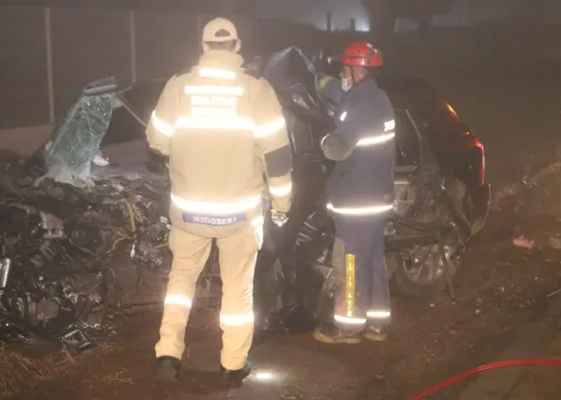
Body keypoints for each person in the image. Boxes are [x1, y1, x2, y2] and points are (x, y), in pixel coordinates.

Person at [144, 17, 293, 386]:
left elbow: (157, 141)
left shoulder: (178, 87)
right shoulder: (257, 91)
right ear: (238, 47)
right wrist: (282, 205)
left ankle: (167, 354)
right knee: (237, 289)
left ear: (204, 46)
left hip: (189, 211)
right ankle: (232, 363)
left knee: (180, 283)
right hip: (239, 215)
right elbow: (277, 157)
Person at [313, 41, 396, 344]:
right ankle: (377, 325)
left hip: (355, 202)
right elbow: (336, 89)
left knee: (350, 263)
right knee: (374, 260)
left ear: (354, 69)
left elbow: (337, 148)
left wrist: (324, 139)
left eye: (343, 67)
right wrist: (316, 77)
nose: (340, 72)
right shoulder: (380, 98)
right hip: (378, 200)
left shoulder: (355, 106)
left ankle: (348, 327)